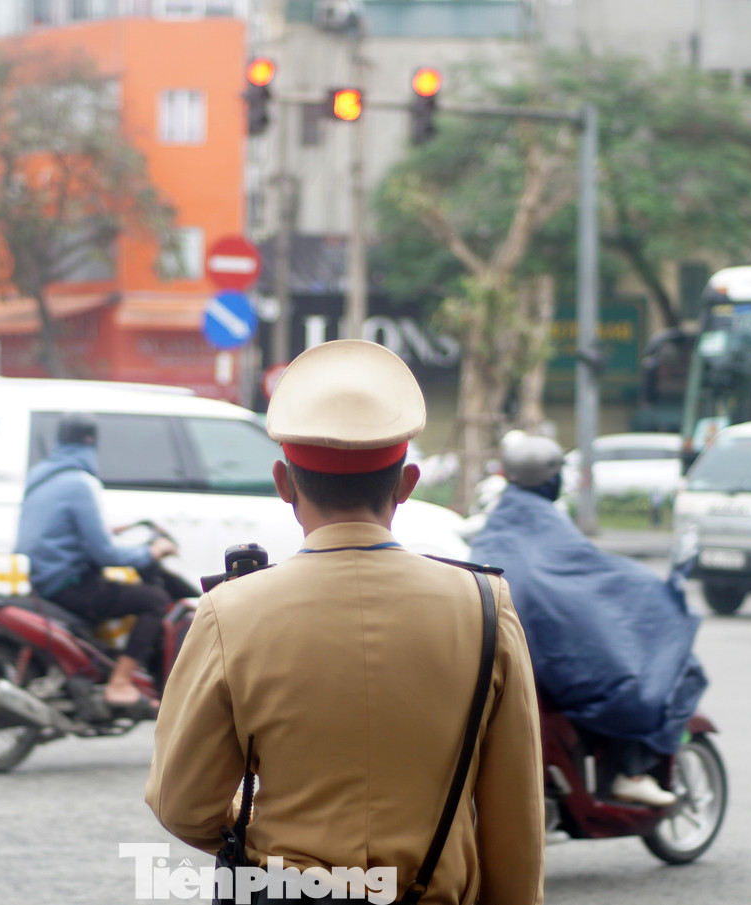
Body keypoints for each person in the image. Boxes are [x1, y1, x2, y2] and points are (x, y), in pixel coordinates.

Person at [146, 340, 545, 905]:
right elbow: (516, 826)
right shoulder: (484, 605)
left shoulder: (229, 612)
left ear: (285, 483)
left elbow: (181, 803)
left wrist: (253, 825)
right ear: (406, 484)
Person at [470, 435, 708, 808]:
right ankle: (628, 771)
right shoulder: (545, 521)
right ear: (551, 480)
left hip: (504, 648)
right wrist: (647, 587)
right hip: (546, 652)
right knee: (640, 679)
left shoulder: (498, 523)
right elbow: (590, 577)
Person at [14, 413, 177, 714]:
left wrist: (113, 530)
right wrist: (151, 553)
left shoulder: (41, 475)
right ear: (91, 444)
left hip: (42, 582)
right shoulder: (80, 483)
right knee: (155, 599)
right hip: (71, 586)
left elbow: (62, 530)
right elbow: (105, 555)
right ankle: (120, 682)